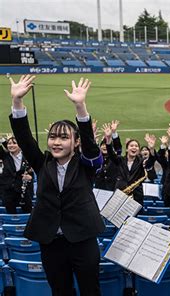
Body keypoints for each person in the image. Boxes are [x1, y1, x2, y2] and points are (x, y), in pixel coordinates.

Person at [9, 75, 105, 295]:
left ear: (76, 142)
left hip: (83, 239)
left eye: (63, 137)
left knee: (91, 290)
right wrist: (17, 102)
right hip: (51, 242)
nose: (56, 142)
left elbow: (91, 148)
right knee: (60, 291)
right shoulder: (42, 163)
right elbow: (24, 138)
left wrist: (80, 107)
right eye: (53, 137)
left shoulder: (86, 165)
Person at [102, 124, 156, 206]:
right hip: (120, 194)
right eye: (131, 146)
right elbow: (111, 153)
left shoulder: (141, 162)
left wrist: (151, 149)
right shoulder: (120, 160)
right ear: (127, 149)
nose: (134, 147)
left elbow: (150, 162)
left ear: (138, 150)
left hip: (136, 197)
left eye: (136, 146)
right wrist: (109, 139)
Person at [0, 135, 33, 213]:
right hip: (8, 193)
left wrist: (30, 177)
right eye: (9, 143)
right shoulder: (5, 156)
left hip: (24, 192)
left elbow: (32, 173)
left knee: (28, 213)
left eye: (14, 143)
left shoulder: (27, 156)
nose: (11, 145)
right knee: (10, 214)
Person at [94, 120, 122, 191]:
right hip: (99, 190)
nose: (104, 147)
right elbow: (91, 151)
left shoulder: (114, 158)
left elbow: (118, 149)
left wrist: (114, 133)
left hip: (112, 189)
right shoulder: (97, 158)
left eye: (106, 145)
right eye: (102, 145)